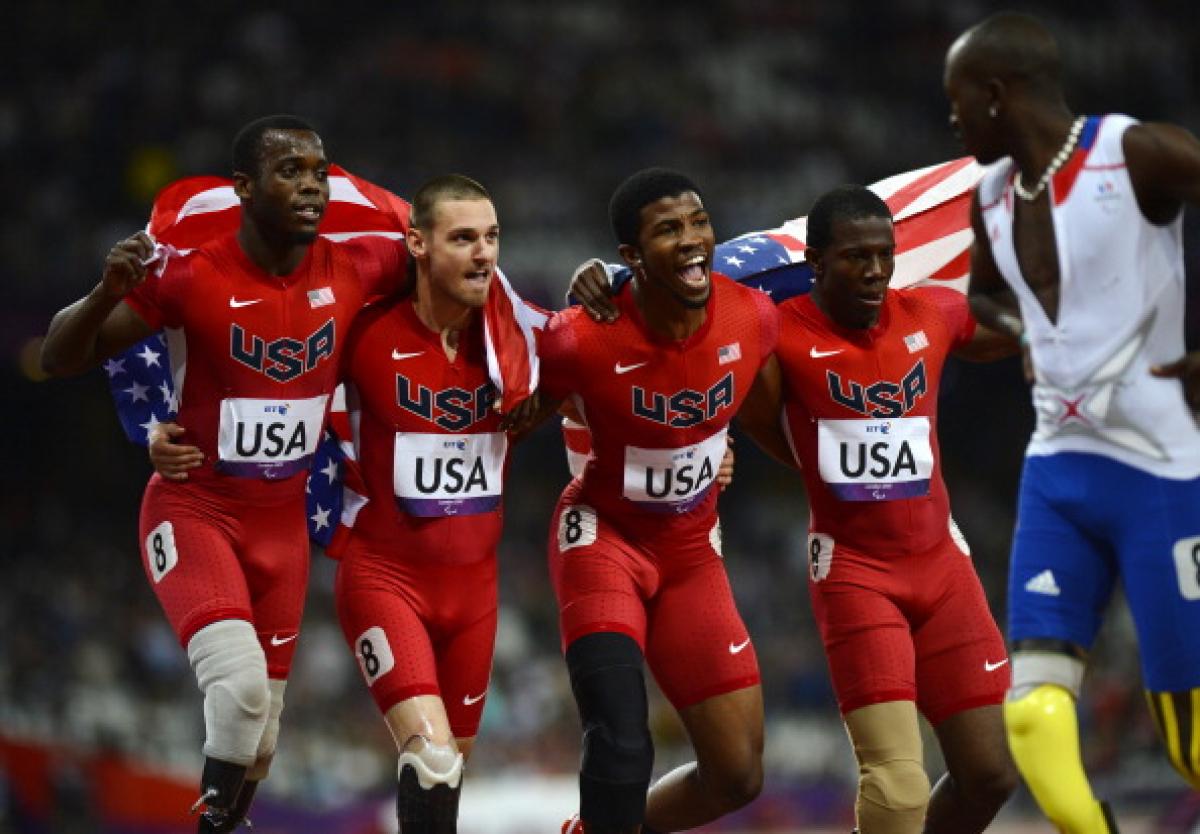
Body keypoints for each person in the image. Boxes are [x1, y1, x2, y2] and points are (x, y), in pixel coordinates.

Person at [573, 184, 1021, 834]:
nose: (872, 272)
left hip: (944, 567)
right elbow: (691, 347)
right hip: (858, 574)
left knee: (992, 775)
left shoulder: (933, 312)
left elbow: (1020, 332)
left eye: (883, 255)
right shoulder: (773, 330)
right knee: (898, 787)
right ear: (813, 262)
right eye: (854, 258)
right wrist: (606, 279)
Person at [39, 114, 410, 832]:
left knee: (260, 740)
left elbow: (463, 251)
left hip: (283, 533)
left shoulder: (361, 264)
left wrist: (608, 284)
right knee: (238, 693)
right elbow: (58, 356)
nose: (312, 186)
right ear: (243, 188)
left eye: (319, 171)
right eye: (290, 171)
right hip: (195, 510)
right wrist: (106, 292)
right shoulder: (187, 276)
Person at [944, 11, 1200, 833]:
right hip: (1057, 468)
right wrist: (1021, 330)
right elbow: (986, 294)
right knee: (1031, 716)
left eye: (957, 102)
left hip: (1164, 471)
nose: (952, 120)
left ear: (996, 94)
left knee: (1191, 740)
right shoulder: (990, 194)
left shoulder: (1134, 153)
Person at [539, 168, 778, 834]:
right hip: (603, 538)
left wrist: (715, 455)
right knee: (621, 737)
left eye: (698, 221)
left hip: (691, 552)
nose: (693, 238)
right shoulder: (580, 335)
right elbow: (510, 411)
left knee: (738, 775)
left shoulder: (753, 315)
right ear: (631, 257)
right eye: (668, 229)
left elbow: (756, 410)